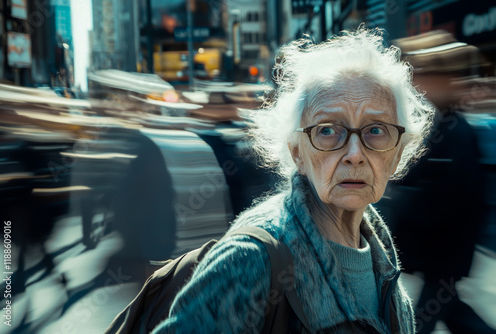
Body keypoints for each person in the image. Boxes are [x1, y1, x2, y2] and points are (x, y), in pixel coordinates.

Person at [151, 28, 434, 333]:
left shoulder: (379, 245)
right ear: (297, 151)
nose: (355, 154)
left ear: (397, 153)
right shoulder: (251, 258)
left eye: (376, 130)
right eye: (327, 130)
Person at [377, 31, 495, 333]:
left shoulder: (454, 132)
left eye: (422, 77)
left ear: (442, 81)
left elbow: (449, 199)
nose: (417, 85)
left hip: (445, 254)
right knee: (454, 313)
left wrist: (404, 206)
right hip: (440, 256)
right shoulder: (441, 124)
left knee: (421, 320)